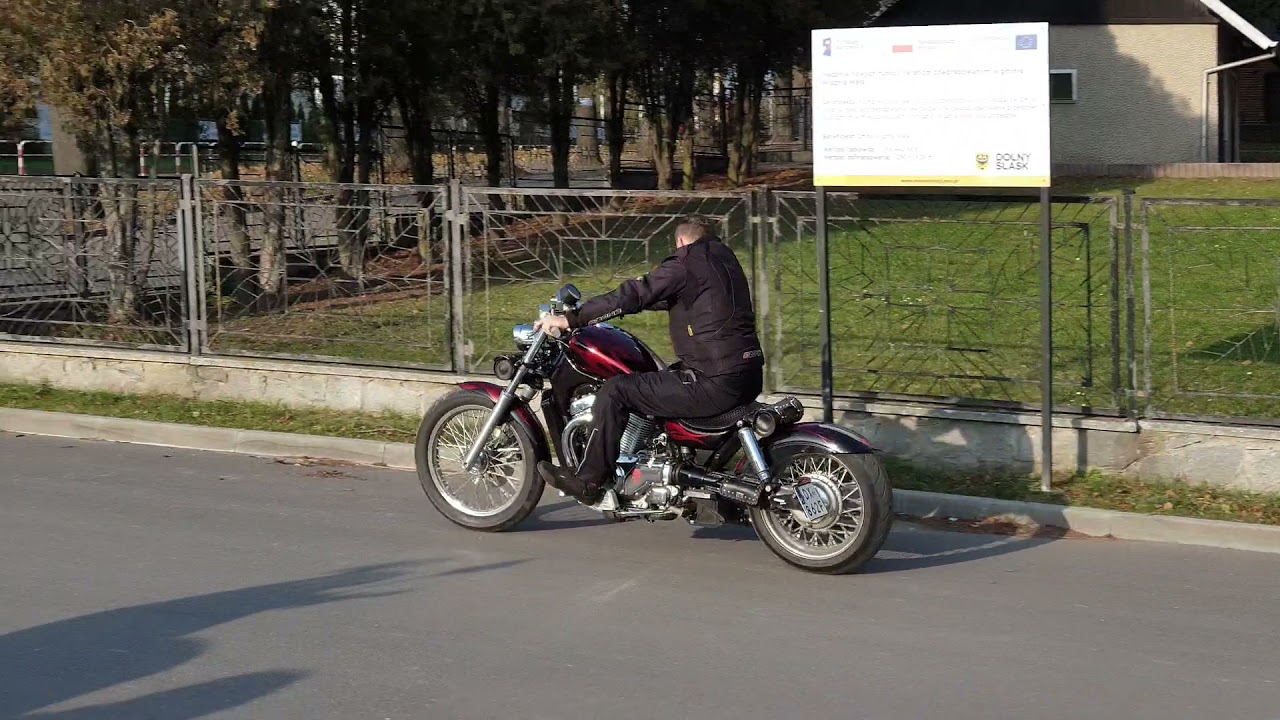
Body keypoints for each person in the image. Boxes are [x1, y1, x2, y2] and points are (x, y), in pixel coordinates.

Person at [533, 216, 765, 503]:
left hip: (715, 380)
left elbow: (635, 293)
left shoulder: (686, 262)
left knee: (616, 390)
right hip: (749, 373)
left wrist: (571, 319)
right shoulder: (724, 258)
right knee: (661, 379)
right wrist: (627, 304)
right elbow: (662, 296)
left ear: (681, 241)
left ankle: (589, 483)